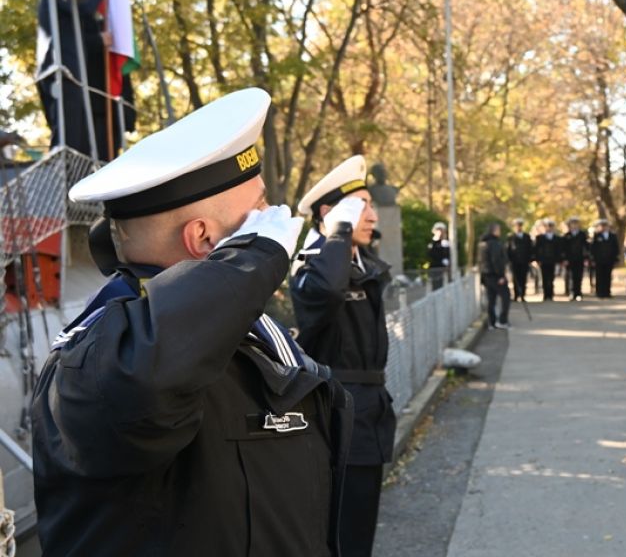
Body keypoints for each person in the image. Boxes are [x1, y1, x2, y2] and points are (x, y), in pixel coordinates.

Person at [31, 88, 351, 556]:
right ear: (203, 238)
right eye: (258, 211)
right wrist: (255, 259)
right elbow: (143, 381)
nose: (271, 219)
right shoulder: (100, 358)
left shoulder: (223, 327)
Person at [292, 154, 394, 557]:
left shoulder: (361, 263)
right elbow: (326, 293)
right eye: (360, 206)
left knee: (359, 530)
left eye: (370, 206)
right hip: (336, 419)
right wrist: (337, 234)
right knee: (340, 538)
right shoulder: (313, 266)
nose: (372, 216)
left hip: (369, 414)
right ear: (328, 214)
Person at [37, 0, 135, 161]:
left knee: (77, 135)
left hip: (68, 72)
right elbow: (84, 7)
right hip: (60, 72)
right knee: (69, 134)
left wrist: (99, 40)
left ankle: (71, 172)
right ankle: (63, 172)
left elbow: (75, 33)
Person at [479, 223, 512, 329]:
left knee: (491, 299)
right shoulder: (494, 244)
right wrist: (501, 275)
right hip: (495, 275)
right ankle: (502, 320)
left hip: (486, 275)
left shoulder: (483, 243)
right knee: (505, 296)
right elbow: (496, 260)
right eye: (498, 230)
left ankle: (492, 322)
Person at [590, 219, 620, 298]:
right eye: (602, 226)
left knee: (608, 276)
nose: (604, 227)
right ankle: (599, 292)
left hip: (609, 259)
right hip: (599, 260)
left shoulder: (612, 236)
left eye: (605, 226)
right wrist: (593, 259)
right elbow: (593, 248)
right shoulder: (597, 235)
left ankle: (607, 292)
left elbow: (616, 247)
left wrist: (616, 257)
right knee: (599, 276)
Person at [562, 217, 589, 301]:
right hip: (570, 259)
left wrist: (586, 258)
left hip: (580, 259)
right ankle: (572, 292)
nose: (574, 225)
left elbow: (586, 247)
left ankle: (578, 293)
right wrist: (565, 259)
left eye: (576, 223)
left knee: (579, 276)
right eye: (572, 224)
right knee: (571, 276)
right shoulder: (567, 235)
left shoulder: (582, 235)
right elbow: (564, 249)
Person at [507, 218, 534, 301]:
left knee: (523, 278)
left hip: (524, 261)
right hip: (514, 262)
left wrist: (530, 260)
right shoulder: (511, 237)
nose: (518, 227)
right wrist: (509, 260)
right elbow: (508, 249)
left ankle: (522, 295)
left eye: (520, 226)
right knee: (515, 279)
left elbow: (530, 249)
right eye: (517, 226)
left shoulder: (527, 237)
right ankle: (516, 295)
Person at [535, 219, 561, 301]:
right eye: (547, 226)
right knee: (544, 278)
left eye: (550, 226)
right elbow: (537, 250)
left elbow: (558, 250)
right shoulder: (540, 238)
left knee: (551, 278)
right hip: (544, 261)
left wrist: (559, 260)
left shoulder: (557, 238)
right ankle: (545, 295)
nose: (549, 228)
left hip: (552, 261)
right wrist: (538, 260)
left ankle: (551, 294)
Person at [428, 222, 451, 289]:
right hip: (436, 269)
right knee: (437, 286)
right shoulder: (432, 242)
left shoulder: (446, 242)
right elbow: (432, 254)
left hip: (446, 269)